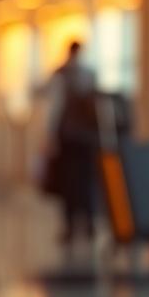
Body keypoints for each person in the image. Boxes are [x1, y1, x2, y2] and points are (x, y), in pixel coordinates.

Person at [45, 41, 100, 245]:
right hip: (87, 136)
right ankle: (89, 222)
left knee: (69, 181)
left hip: (68, 136)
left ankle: (70, 225)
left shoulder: (60, 74)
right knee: (86, 180)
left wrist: (50, 135)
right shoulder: (90, 74)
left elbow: (54, 107)